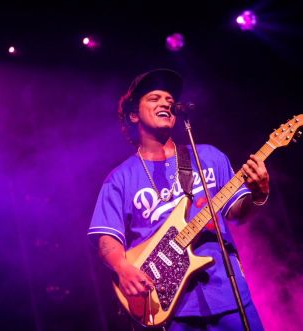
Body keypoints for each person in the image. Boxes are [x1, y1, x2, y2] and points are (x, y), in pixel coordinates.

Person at [87, 68, 269, 330]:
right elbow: (106, 238)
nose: (165, 103)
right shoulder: (120, 179)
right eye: (155, 98)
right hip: (168, 305)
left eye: (170, 101)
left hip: (227, 293)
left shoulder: (208, 156)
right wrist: (122, 268)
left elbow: (237, 214)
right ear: (133, 114)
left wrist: (259, 193)